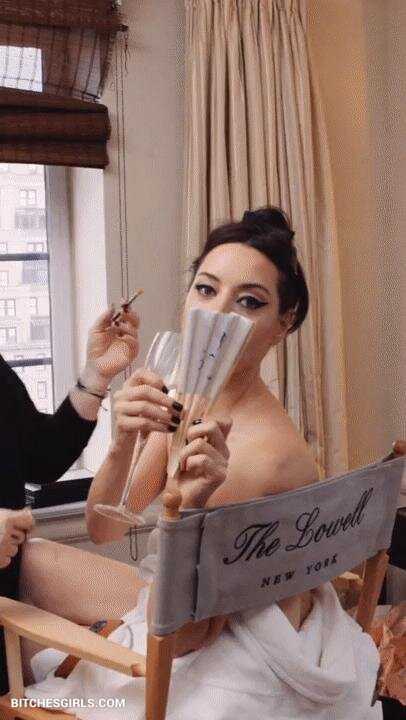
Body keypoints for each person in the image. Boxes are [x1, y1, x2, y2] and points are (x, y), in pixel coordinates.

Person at [22, 208, 380, 719]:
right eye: (207, 290)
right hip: (181, 599)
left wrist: (189, 507)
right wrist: (123, 440)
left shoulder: (261, 456)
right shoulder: (190, 395)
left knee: (30, 657)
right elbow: (105, 527)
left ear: (283, 325)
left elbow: (187, 637)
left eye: (249, 302)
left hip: (217, 646)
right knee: (29, 560)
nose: (216, 314)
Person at [0, 304, 139, 693]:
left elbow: (40, 458)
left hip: (13, 577)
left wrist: (96, 376)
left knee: (167, 622)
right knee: (117, 694)